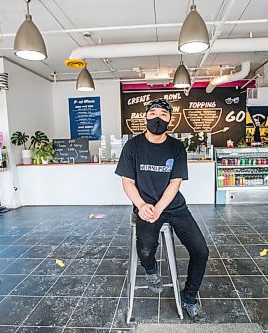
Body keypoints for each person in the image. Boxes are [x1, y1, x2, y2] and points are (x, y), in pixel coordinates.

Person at [115, 98, 209, 323]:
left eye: (164, 115)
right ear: (146, 116)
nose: (158, 118)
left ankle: (188, 297)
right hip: (145, 206)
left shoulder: (176, 147)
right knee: (146, 249)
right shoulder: (133, 146)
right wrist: (141, 205)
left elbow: (175, 182)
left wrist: (159, 208)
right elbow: (127, 181)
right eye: (153, 113)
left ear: (170, 120)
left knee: (201, 251)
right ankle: (151, 271)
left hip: (173, 206)